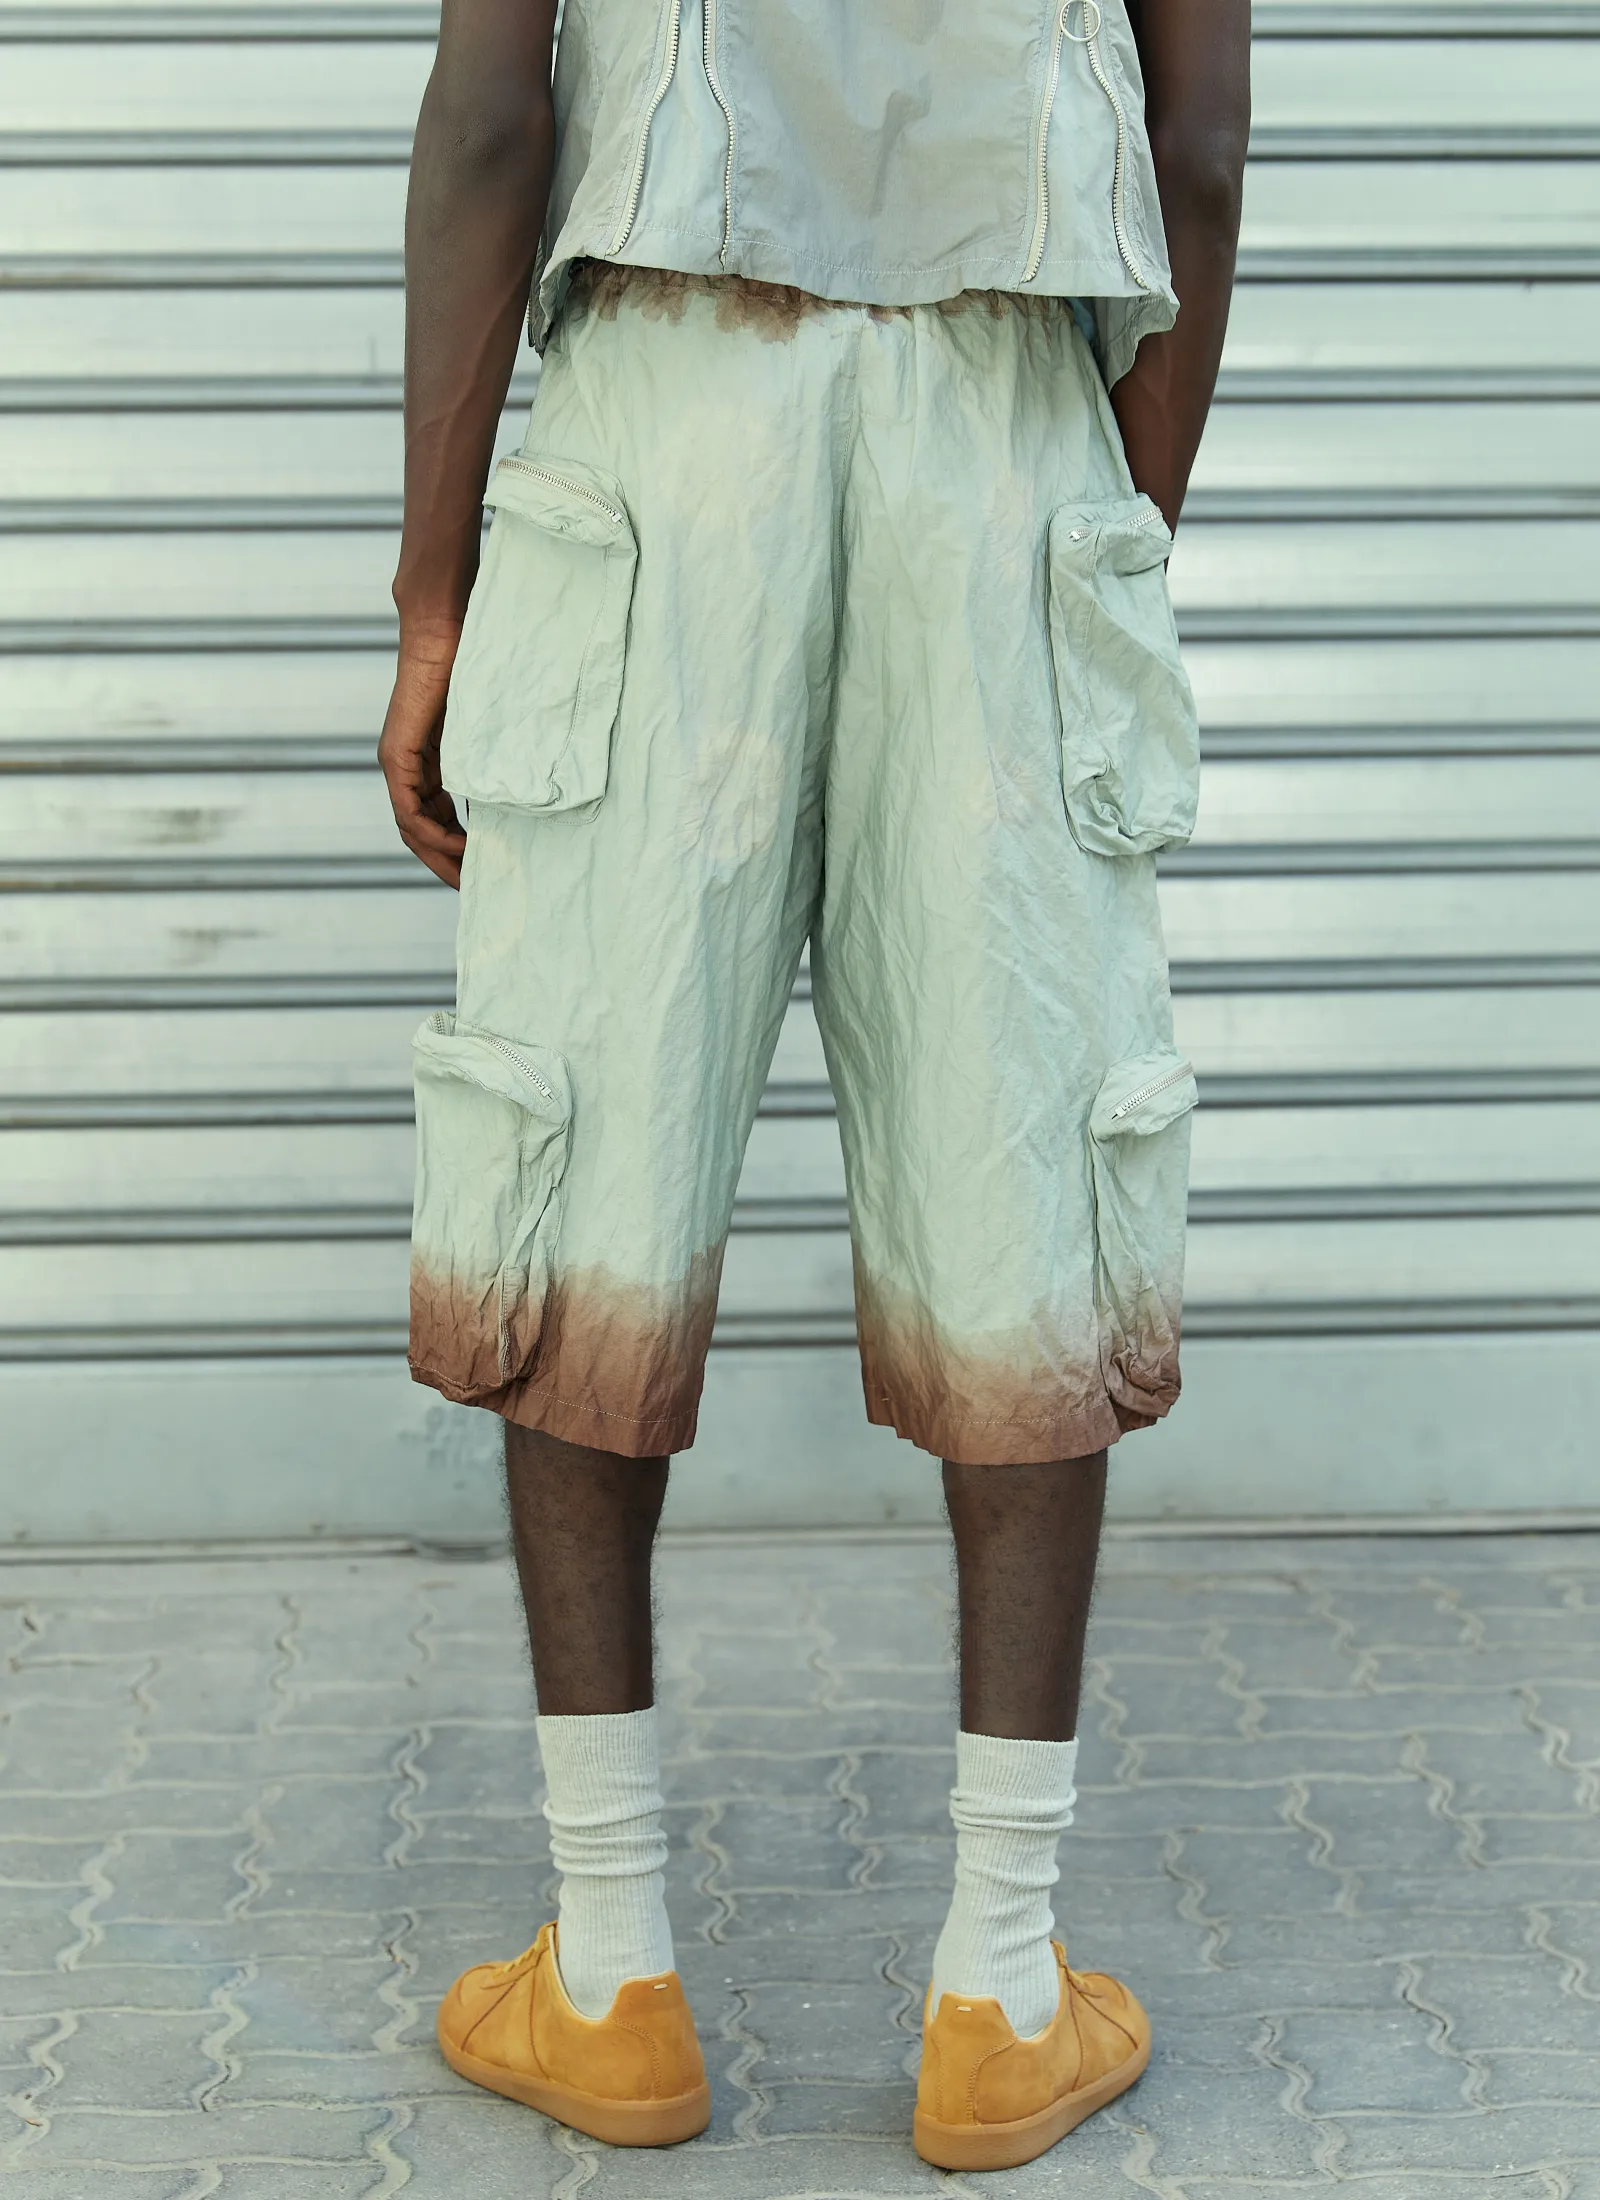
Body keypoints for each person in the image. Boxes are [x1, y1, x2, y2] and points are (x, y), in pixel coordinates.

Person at [378, 0, 1249, 2170]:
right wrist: (1112, 521)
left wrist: (430, 591)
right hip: (1005, 419)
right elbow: (1199, 141)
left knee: (587, 1165)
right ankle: (999, 1987)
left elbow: (487, 116)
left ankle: (610, 1977)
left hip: (664, 424)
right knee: (1021, 1187)